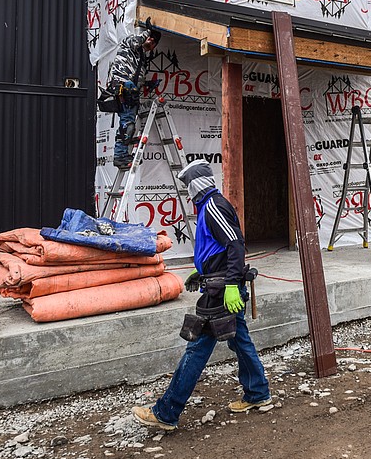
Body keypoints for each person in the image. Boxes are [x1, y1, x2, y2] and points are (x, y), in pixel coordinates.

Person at [132, 161, 270, 430]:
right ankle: (258, 393)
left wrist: (230, 284)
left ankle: (166, 412)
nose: (187, 193)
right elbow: (219, 248)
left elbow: (235, 245)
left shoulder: (213, 207)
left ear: (195, 185)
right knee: (239, 341)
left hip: (221, 292)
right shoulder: (210, 206)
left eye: (187, 187)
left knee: (196, 348)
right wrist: (203, 274)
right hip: (219, 285)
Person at [107, 22, 162, 169]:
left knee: (127, 124)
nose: (151, 42)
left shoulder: (142, 59)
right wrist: (148, 32)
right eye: (150, 39)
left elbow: (138, 76)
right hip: (123, 87)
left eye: (154, 42)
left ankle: (122, 154)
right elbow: (135, 41)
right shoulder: (128, 44)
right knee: (127, 125)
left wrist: (147, 84)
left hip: (132, 91)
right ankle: (120, 156)